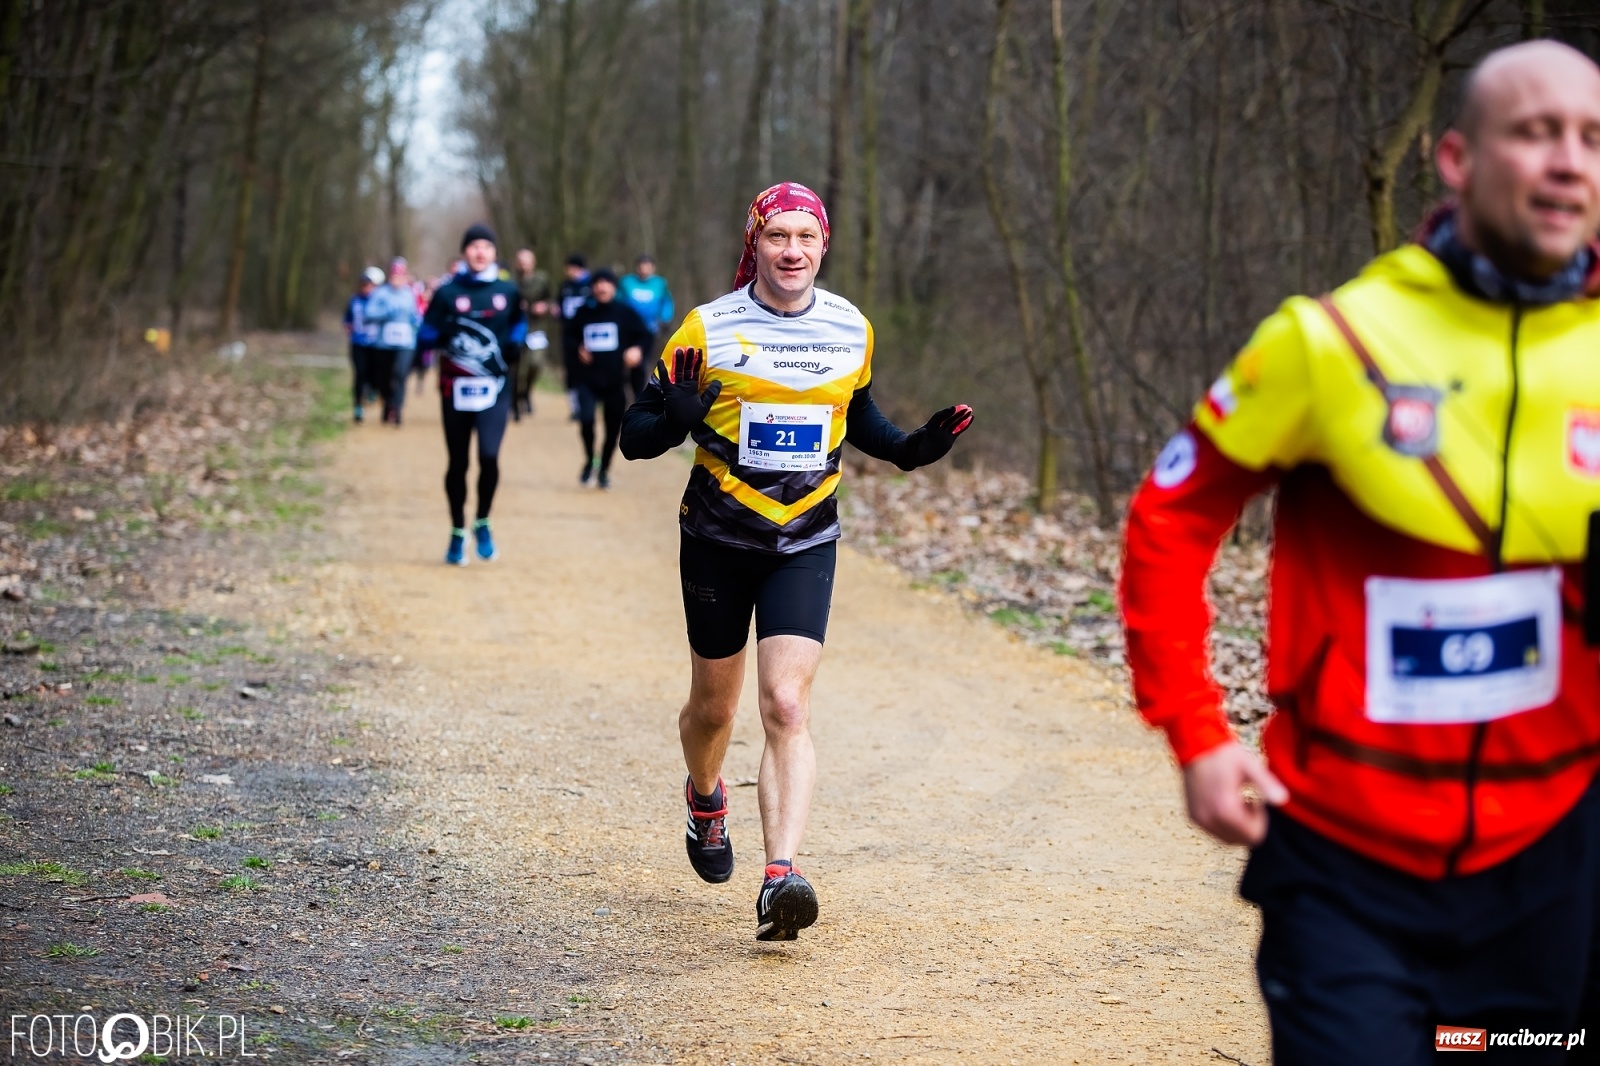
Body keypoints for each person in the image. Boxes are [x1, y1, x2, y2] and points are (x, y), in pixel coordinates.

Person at [1119, 41, 1600, 1064]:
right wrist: (1197, 731)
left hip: (1551, 859)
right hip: (1345, 859)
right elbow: (1171, 517)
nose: (1568, 161)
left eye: (1591, 139)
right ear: (1456, 158)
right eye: (1536, 132)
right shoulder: (1333, 343)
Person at [620, 182, 974, 940]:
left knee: (786, 704)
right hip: (717, 538)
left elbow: (860, 418)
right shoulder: (708, 327)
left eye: (806, 238)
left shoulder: (852, 327)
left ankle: (782, 876)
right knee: (713, 709)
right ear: (757, 242)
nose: (793, 251)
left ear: (823, 246)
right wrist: (675, 419)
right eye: (778, 236)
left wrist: (913, 449)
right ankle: (706, 797)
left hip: (804, 540)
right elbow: (635, 432)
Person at [418, 224, 526, 566]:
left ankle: (482, 520)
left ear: (494, 253)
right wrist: (443, 331)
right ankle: (456, 530)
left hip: (494, 388)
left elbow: (520, 323)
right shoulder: (448, 293)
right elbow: (424, 333)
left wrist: (514, 343)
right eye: (474, 246)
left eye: (486, 247)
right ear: (465, 252)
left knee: (490, 457)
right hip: (456, 388)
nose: (480, 252)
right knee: (458, 462)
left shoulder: (507, 290)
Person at [571, 268, 652, 489]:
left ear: (614, 288)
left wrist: (637, 350)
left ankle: (605, 469)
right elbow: (568, 336)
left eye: (607, 282)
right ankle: (589, 460)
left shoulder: (625, 313)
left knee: (612, 428)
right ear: (593, 287)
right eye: (598, 282)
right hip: (588, 380)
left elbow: (645, 335)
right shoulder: (583, 313)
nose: (602, 286)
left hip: (615, 380)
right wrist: (578, 347)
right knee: (586, 420)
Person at [364, 257, 421, 426]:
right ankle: (387, 403)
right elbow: (369, 314)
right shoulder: (380, 293)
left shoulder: (410, 293)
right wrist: (386, 313)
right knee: (384, 377)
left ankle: (397, 408)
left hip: (405, 343)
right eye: (395, 273)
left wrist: (416, 325)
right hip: (383, 343)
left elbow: (415, 315)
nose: (397, 277)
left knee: (401, 375)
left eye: (401, 274)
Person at [619, 254, 676, 399]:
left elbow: (667, 303)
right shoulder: (626, 282)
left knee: (642, 364)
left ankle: (639, 396)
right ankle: (620, 393)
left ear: (653, 268)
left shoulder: (660, 284)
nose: (644, 269)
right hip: (627, 330)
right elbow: (618, 300)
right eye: (641, 265)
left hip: (649, 330)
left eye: (647, 265)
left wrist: (664, 318)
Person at [513, 247, 554, 420]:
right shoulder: (510, 282)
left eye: (527, 261)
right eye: (521, 261)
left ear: (533, 262)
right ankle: (514, 403)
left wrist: (544, 306)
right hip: (515, 329)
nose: (524, 265)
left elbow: (553, 300)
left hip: (536, 329)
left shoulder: (542, 279)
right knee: (514, 369)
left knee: (535, 363)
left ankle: (527, 391)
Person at [342, 267, 384, 423]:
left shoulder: (380, 301)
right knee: (360, 373)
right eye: (364, 285)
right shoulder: (354, 300)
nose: (367, 288)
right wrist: (348, 326)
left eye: (370, 285)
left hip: (376, 344)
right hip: (358, 343)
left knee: (375, 373)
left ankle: (374, 389)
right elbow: (347, 318)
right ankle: (358, 406)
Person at [557, 254, 593, 419]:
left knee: (587, 369)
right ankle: (575, 407)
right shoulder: (565, 286)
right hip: (568, 334)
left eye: (570, 268)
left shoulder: (591, 286)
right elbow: (559, 306)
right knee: (570, 370)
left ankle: (589, 403)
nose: (568, 271)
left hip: (587, 334)